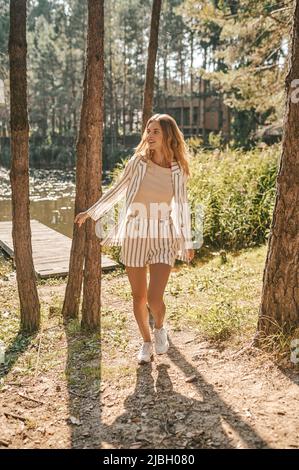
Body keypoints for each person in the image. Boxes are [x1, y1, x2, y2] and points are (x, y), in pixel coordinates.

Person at [75, 113, 194, 365]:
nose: (149, 136)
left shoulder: (178, 170)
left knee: (154, 298)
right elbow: (118, 190)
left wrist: (187, 240)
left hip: (164, 234)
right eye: (148, 131)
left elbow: (182, 206)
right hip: (135, 234)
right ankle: (146, 342)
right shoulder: (138, 162)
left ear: (167, 136)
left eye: (155, 132)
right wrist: (92, 211)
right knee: (138, 296)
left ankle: (160, 327)